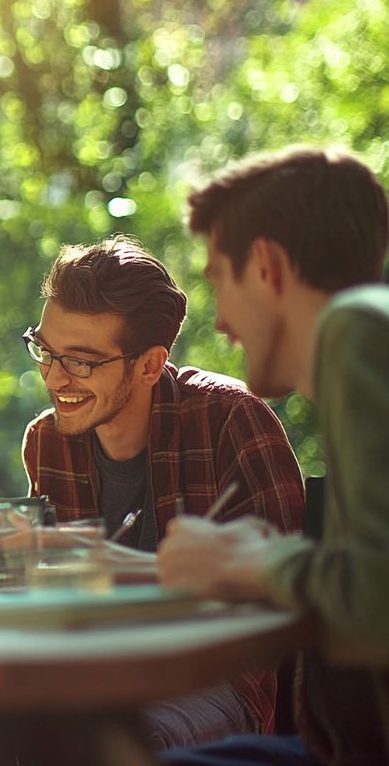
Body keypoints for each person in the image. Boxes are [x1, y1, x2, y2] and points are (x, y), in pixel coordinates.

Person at [22, 237, 305, 746]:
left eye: (81, 361)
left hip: (210, 678)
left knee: (118, 741)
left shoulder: (230, 419)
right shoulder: (47, 441)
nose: (52, 375)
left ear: (150, 365)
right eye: (45, 349)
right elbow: (44, 590)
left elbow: (285, 600)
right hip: (85, 673)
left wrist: (113, 571)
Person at [158, 145, 389, 765]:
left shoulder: (357, 328)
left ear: (266, 266)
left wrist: (254, 560)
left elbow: (376, 601)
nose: (224, 322)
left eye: (217, 281)